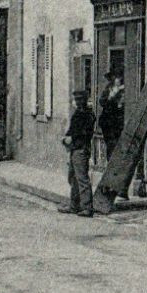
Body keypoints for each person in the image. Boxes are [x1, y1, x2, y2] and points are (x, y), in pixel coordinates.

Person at [60, 88, 95, 217]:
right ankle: (74, 205)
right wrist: (66, 137)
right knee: (73, 178)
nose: (77, 101)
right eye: (76, 99)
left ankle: (87, 207)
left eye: (79, 99)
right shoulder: (79, 113)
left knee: (82, 179)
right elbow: (73, 129)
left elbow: (85, 133)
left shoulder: (87, 114)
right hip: (75, 149)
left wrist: (72, 138)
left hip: (81, 149)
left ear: (84, 100)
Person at [98, 74, 126, 167]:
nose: (117, 80)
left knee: (117, 144)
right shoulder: (109, 89)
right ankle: (111, 165)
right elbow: (102, 102)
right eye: (116, 78)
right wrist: (111, 96)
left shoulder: (124, 90)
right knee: (111, 144)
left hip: (118, 123)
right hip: (108, 122)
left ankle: (115, 165)